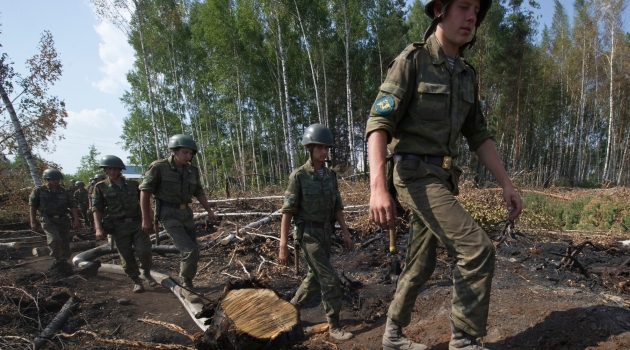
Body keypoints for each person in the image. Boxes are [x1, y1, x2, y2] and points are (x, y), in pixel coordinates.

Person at [365, 1, 523, 349]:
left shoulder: (466, 74)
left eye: (477, 10)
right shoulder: (413, 61)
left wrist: (507, 184)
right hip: (412, 173)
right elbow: (378, 124)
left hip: (442, 179)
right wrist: (378, 188)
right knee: (477, 249)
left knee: (421, 263)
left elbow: (479, 135)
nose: (472, 17)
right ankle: (464, 341)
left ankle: (391, 335)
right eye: (463, 6)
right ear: (439, 8)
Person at [278, 124, 354, 342]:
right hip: (308, 234)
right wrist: (283, 244)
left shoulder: (330, 176)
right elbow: (288, 211)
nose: (324, 152)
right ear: (309, 149)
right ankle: (334, 325)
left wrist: (346, 233)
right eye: (320, 148)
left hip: (326, 233)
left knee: (315, 277)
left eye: (327, 148)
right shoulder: (299, 176)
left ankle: (290, 309)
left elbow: (337, 207)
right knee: (329, 278)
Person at [139, 134, 217, 296]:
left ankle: (187, 279)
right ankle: (186, 283)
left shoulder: (191, 170)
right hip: (168, 213)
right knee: (189, 250)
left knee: (193, 249)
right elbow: (145, 192)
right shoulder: (158, 167)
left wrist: (210, 211)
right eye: (185, 153)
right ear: (174, 151)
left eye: (191, 154)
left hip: (186, 213)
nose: (188, 157)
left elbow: (199, 192)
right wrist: (146, 218)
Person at [92, 155, 157, 293]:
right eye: (109, 169)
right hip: (118, 226)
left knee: (144, 251)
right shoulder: (101, 187)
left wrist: (150, 218)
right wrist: (98, 228)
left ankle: (146, 272)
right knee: (126, 256)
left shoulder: (134, 185)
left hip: (137, 223)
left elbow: (144, 202)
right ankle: (136, 280)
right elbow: (96, 208)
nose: (112, 172)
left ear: (120, 169)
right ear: (105, 170)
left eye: (115, 169)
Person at [29, 169, 81, 270]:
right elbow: (33, 206)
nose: (55, 181)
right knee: (54, 239)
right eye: (53, 179)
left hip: (63, 219)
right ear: (47, 179)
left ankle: (64, 262)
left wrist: (76, 220)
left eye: (57, 179)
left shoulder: (64, 192)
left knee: (65, 241)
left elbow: (73, 206)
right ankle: (57, 259)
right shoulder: (39, 190)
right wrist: (33, 221)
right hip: (47, 219)